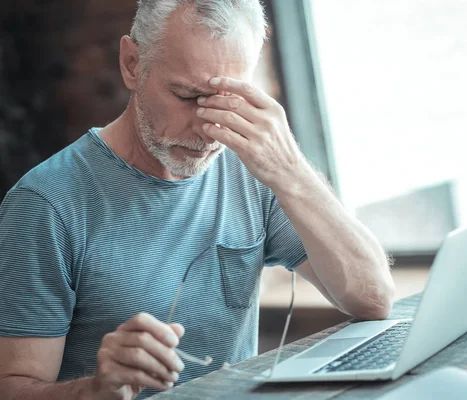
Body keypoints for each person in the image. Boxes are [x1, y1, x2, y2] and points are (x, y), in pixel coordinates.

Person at [0, 0, 395, 399]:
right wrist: (97, 391)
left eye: (228, 101)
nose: (209, 131)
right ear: (132, 64)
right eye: (188, 96)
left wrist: (290, 168)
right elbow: (12, 389)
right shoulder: (45, 205)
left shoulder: (252, 168)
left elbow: (373, 299)